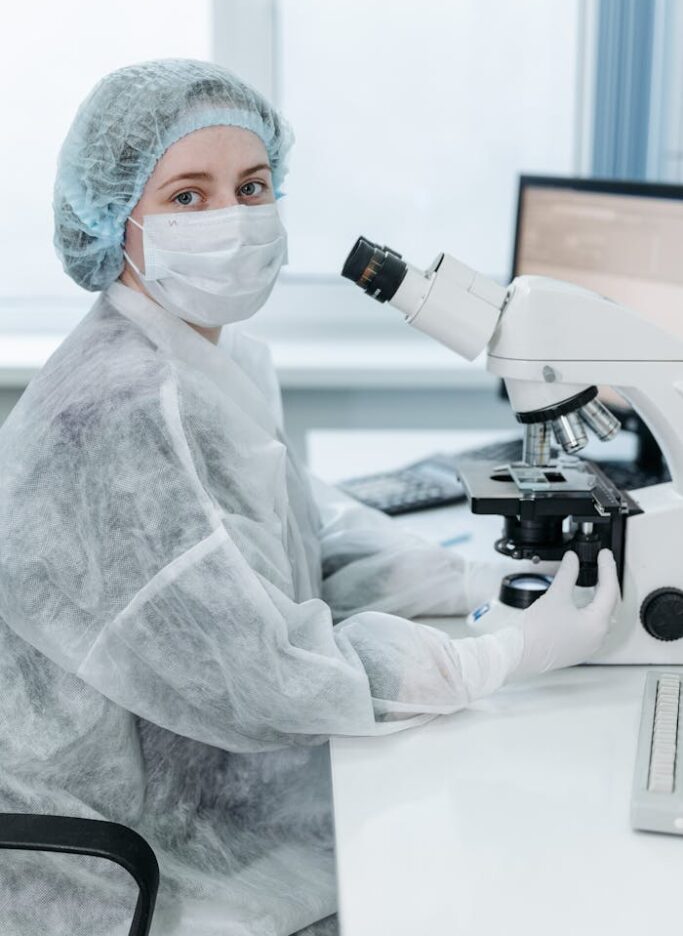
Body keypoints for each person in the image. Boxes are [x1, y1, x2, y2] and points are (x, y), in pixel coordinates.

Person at [0, 59, 619, 936]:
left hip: (205, 774)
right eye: (187, 196)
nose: (234, 219)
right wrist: (497, 659)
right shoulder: (126, 408)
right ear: (116, 220)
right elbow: (260, 676)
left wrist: (476, 582)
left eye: (252, 188)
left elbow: (302, 536)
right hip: (123, 848)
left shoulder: (207, 359)